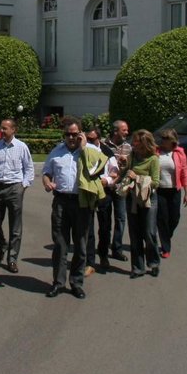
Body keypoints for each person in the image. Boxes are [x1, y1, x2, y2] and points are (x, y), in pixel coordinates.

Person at [41, 116, 97, 299]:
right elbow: (46, 172)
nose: (71, 138)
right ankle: (58, 282)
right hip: (61, 201)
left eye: (75, 134)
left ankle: (76, 283)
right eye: (68, 134)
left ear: (81, 134)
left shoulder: (90, 151)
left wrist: (84, 148)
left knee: (80, 244)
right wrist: (47, 182)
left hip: (82, 202)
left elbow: (95, 171)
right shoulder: (56, 151)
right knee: (60, 244)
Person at [0, 118, 34, 272]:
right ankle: (2, 246)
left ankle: (12, 259)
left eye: (5, 128)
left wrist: (23, 186)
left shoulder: (21, 147)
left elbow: (29, 168)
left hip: (14, 188)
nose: (2, 131)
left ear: (13, 130)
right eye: (1, 128)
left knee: (15, 226)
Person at [125, 130, 162, 279]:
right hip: (133, 198)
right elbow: (125, 172)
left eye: (136, 141)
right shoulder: (133, 156)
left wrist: (137, 178)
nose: (133, 144)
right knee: (134, 234)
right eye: (133, 141)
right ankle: (137, 267)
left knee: (149, 232)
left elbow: (155, 183)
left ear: (145, 143)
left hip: (148, 199)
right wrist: (123, 167)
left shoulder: (153, 159)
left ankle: (153, 262)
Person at [84, 128, 120, 274]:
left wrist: (107, 180)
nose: (89, 142)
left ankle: (103, 255)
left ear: (99, 139)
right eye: (87, 139)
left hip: (104, 192)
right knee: (88, 228)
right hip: (88, 192)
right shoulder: (83, 151)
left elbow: (115, 172)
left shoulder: (107, 152)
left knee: (105, 227)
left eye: (92, 139)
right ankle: (90, 262)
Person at [155, 128, 187, 258]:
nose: (163, 141)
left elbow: (184, 173)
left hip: (174, 190)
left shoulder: (179, 153)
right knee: (162, 219)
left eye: (166, 139)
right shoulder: (156, 152)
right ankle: (166, 248)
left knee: (174, 218)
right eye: (162, 138)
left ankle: (166, 237)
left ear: (172, 140)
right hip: (160, 190)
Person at [104, 120, 132, 261]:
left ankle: (117, 248)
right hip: (106, 188)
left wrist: (126, 163)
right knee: (105, 220)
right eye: (124, 130)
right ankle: (103, 248)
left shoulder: (128, 147)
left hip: (121, 188)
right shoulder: (104, 145)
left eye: (127, 130)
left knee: (120, 218)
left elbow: (131, 166)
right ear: (116, 131)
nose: (127, 132)